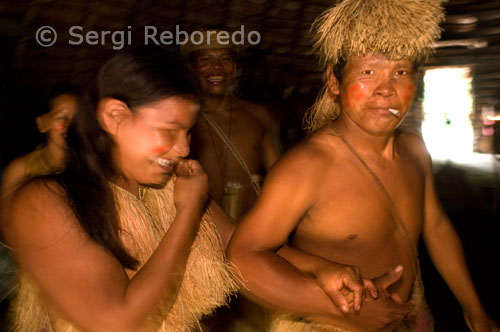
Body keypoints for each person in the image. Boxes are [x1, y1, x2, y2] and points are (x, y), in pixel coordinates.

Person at [228, 1, 500, 331]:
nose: (386, 89)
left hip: (406, 313)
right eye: (368, 73)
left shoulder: (414, 149)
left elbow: (437, 227)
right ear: (334, 82)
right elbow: (242, 257)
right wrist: (343, 312)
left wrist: (472, 307)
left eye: (400, 73)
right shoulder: (309, 166)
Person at [1, 46, 241, 332]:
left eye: (188, 132)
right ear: (114, 116)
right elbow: (117, 322)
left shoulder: (173, 185)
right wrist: (187, 213)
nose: (184, 148)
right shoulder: (44, 202)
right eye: (169, 131)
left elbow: (244, 249)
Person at [183, 29, 280, 220]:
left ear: (235, 67)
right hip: (200, 227)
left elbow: (280, 175)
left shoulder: (258, 116)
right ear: (191, 68)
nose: (216, 67)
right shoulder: (182, 119)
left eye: (225, 59)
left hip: (251, 226)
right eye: (205, 60)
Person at [0, 84, 80, 202]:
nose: (70, 126)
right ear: (42, 123)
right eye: (62, 117)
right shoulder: (20, 171)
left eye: (77, 119)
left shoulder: (91, 169)